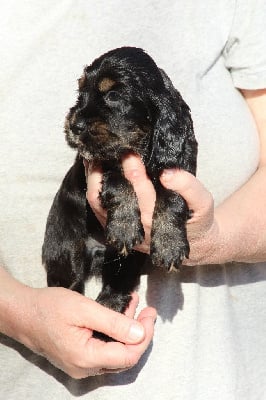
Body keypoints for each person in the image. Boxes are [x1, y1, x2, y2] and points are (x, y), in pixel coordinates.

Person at [0, 1, 265, 399]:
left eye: (111, 98)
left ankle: (116, 292)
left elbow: (172, 186)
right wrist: (18, 313)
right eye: (85, 95)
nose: (80, 117)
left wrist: (215, 238)